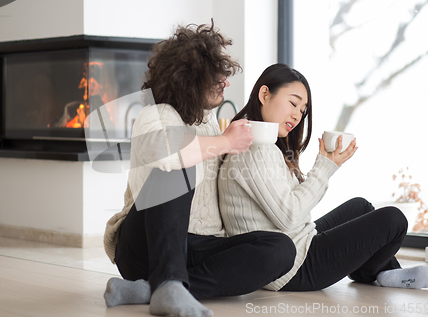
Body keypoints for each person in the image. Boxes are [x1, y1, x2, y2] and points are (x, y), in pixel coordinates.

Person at [102, 23, 296, 317]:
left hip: (194, 245)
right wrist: (223, 141)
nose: (226, 82)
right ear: (190, 76)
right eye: (218, 74)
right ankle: (166, 282)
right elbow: (167, 153)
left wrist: (241, 148)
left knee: (281, 248)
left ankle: (155, 290)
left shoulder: (208, 121)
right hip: (142, 248)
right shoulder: (155, 113)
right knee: (178, 166)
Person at [218, 63, 428, 292]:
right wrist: (324, 167)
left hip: (298, 243)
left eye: (302, 110)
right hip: (291, 267)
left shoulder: (256, 140)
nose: (297, 115)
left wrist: (326, 167)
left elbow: (291, 211)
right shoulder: (255, 148)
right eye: (293, 103)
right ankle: (375, 272)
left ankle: (383, 271)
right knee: (394, 219)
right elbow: (290, 215)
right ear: (264, 94)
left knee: (360, 206)